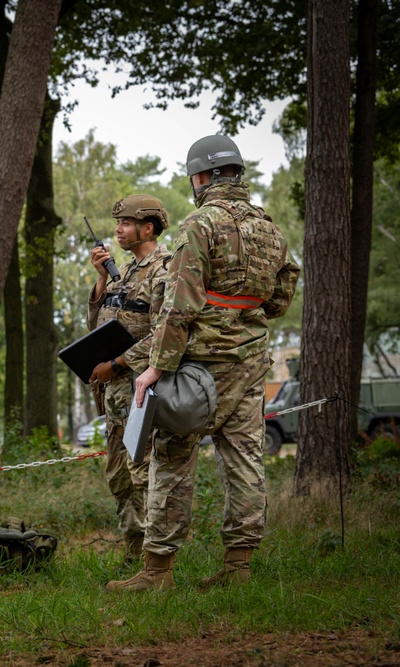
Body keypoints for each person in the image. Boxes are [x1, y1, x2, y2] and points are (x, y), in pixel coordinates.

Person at [108, 135, 300, 592]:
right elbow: (281, 296)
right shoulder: (270, 228)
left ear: (201, 177)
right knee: (245, 457)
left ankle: (157, 572)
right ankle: (238, 567)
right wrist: (243, 312)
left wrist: (156, 365)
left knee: (173, 457)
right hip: (251, 360)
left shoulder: (200, 224)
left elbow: (180, 303)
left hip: (200, 366)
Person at [86, 195, 172, 564]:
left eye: (125, 223)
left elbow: (168, 332)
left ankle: (158, 557)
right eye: (116, 223)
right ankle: (133, 551)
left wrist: (118, 363)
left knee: (145, 475)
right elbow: (99, 325)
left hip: (144, 390)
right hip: (115, 396)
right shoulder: (128, 271)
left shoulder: (164, 269)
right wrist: (102, 278)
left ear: (147, 227)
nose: (117, 229)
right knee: (119, 477)